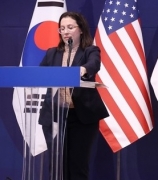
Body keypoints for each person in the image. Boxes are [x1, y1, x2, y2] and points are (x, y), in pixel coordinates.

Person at [38, 11, 109, 180]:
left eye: (70, 27)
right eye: (62, 28)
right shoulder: (51, 53)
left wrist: (82, 70)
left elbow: (94, 64)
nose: (65, 31)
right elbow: (39, 75)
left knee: (77, 167)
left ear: (81, 30)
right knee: (56, 167)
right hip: (54, 116)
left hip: (81, 117)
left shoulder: (90, 50)